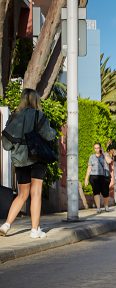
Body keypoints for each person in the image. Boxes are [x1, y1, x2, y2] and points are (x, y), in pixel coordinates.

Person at [0, 88, 57, 239]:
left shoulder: (13, 117)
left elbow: (5, 143)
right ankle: (34, 230)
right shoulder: (39, 115)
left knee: (22, 194)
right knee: (36, 193)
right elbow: (49, 135)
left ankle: (6, 225)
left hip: (20, 160)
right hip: (37, 158)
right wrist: (54, 132)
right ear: (35, 100)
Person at [84, 142, 113, 213]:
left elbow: (109, 161)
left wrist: (103, 153)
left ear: (100, 148)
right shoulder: (92, 157)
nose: (96, 149)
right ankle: (98, 208)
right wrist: (86, 178)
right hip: (94, 176)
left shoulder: (105, 154)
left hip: (104, 176)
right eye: (95, 148)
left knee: (105, 192)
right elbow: (89, 168)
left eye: (98, 148)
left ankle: (106, 206)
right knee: (96, 192)